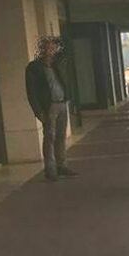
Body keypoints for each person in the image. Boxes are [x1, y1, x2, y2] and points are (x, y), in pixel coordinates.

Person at [25, 36, 78, 181]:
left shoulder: (58, 64)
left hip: (62, 103)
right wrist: (38, 111)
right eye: (48, 48)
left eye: (53, 48)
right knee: (50, 137)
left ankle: (61, 165)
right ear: (41, 50)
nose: (51, 51)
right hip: (49, 106)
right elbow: (31, 92)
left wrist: (59, 44)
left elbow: (67, 51)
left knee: (60, 136)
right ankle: (50, 169)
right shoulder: (34, 68)